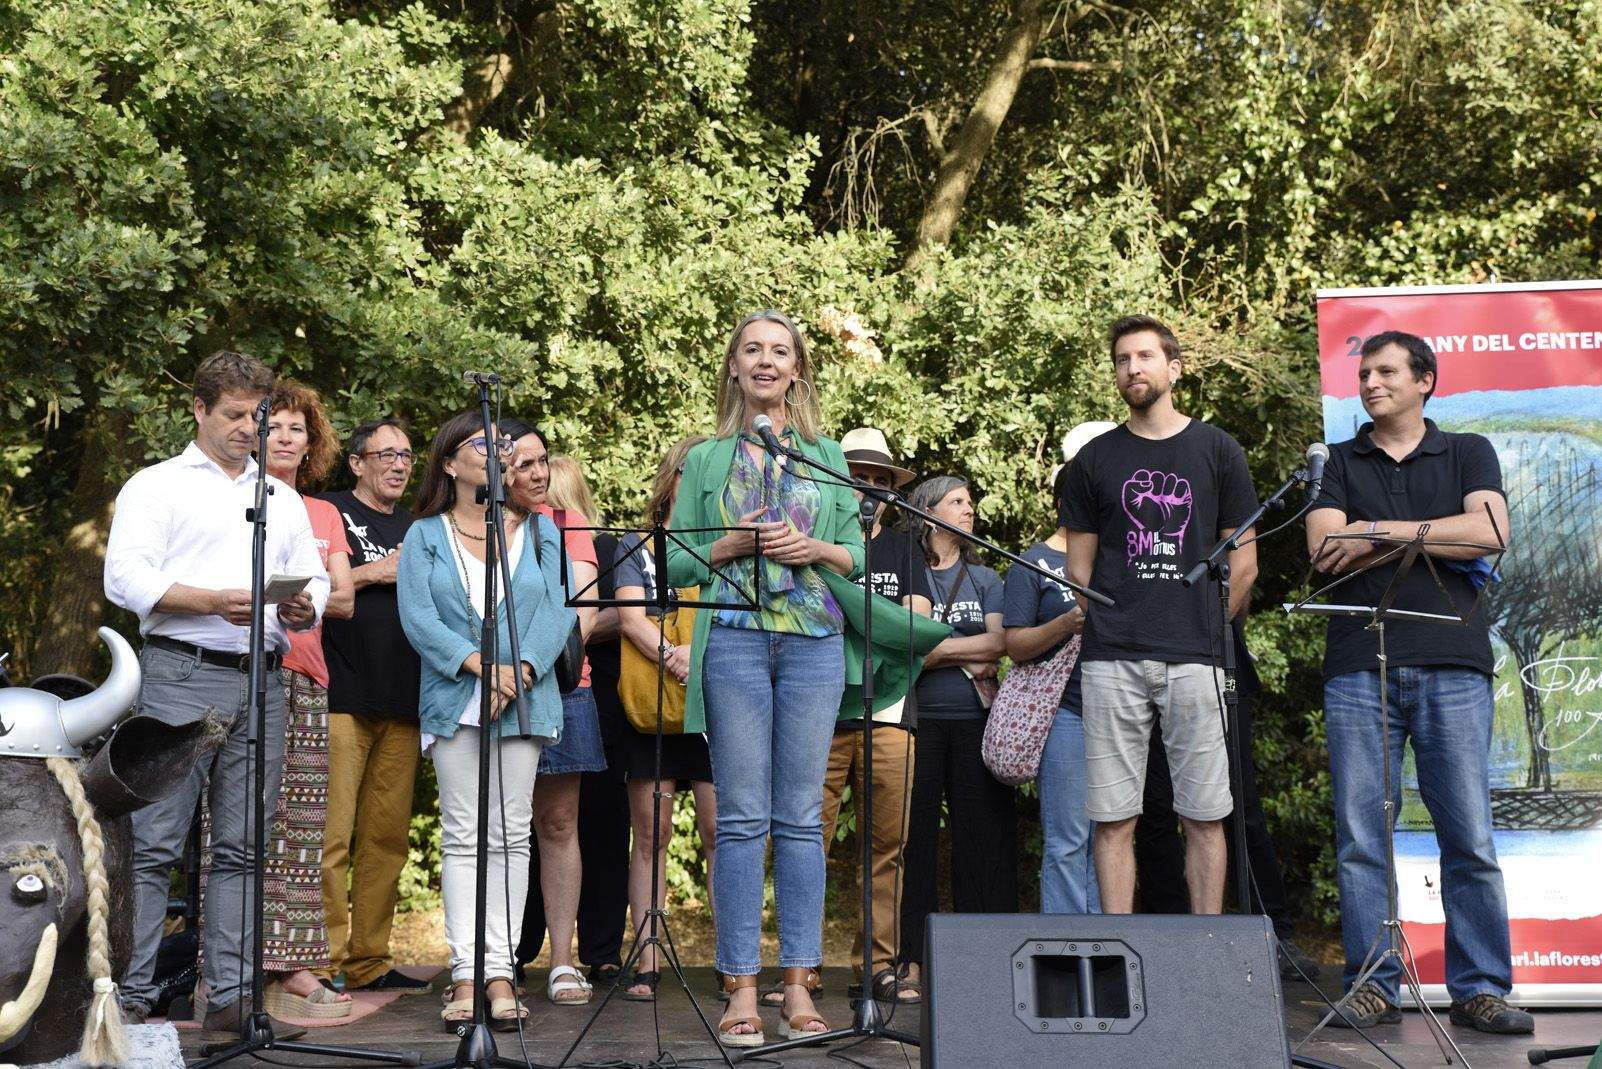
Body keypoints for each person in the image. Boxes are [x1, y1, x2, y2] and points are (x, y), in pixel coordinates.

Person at [1306, 330, 1530, 1034]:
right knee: (1361, 835)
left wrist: (1377, 528)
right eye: (1364, 372)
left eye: (1386, 371)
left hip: (1453, 660)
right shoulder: (1336, 459)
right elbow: (1322, 549)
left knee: (1468, 832)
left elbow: (1489, 531)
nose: (1369, 382)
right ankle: (1374, 984)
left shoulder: (1466, 450)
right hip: (1358, 665)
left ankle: (1481, 987)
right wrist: (1433, 531)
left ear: (1425, 380)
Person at [106, 351, 329, 1038]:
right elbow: (124, 579)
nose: (247, 428)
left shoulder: (281, 497)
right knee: (154, 841)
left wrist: (301, 610)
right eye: (234, 414)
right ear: (199, 409)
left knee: (242, 847)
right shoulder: (158, 485)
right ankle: (131, 996)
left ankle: (230, 995)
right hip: (181, 670)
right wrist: (211, 601)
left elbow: (312, 582)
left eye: (256, 416)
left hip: (262, 675)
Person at [666, 309, 864, 1047]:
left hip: (813, 643)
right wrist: (730, 542)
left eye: (780, 351)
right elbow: (676, 561)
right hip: (738, 642)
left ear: (798, 370)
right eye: (752, 348)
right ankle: (741, 986)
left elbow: (858, 557)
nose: (766, 360)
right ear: (733, 366)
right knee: (743, 818)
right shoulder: (707, 458)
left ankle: (798, 986)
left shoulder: (827, 454)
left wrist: (812, 545)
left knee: (803, 818)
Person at [1062, 314, 1258, 916]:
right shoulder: (1094, 460)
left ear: (1174, 368)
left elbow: (1244, 563)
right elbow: (1079, 572)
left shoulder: (1218, 449)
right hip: (1111, 660)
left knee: (1204, 814)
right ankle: (1120, 945)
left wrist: (1203, 628)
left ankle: (1206, 949)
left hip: (1197, 659)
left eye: (1145, 357)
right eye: (1122, 360)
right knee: (1112, 817)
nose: (1132, 369)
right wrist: (1120, 623)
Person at [396, 411, 575, 1032]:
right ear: (450, 462)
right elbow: (418, 617)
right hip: (455, 698)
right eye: (483, 444)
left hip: (524, 697)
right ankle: (467, 973)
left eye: (504, 445)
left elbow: (558, 613)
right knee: (462, 834)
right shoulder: (424, 534)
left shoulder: (543, 531)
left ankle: (500, 971)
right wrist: (478, 667)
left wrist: (519, 672)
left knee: (511, 833)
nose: (498, 453)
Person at [817, 427, 930, 1007]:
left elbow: (918, 622)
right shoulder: (815, 536)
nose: (867, 488)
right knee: (806, 839)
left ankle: (879, 965)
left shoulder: (904, 548)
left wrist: (863, 621)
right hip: (819, 711)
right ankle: (800, 966)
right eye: (856, 478)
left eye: (879, 481)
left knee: (887, 845)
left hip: (889, 714)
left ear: (891, 492)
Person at [318, 418, 431, 995]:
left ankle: (369, 960)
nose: (397, 464)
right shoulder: (328, 510)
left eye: (407, 455)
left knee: (387, 839)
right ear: (357, 463)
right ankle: (323, 963)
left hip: (407, 699)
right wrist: (372, 572)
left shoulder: (421, 525)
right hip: (342, 693)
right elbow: (307, 589)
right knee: (332, 837)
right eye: (384, 454)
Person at [500, 429, 611, 1006]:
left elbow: (585, 613)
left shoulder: (571, 525)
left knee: (559, 824)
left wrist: (531, 667)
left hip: (561, 687)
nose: (540, 472)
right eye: (526, 463)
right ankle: (493, 960)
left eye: (545, 461)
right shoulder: (474, 526)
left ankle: (563, 962)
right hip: (487, 688)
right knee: (496, 826)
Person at [258, 380, 356, 1017]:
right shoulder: (234, 500)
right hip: (247, 668)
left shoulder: (321, 513)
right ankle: (233, 966)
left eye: (299, 428)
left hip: (309, 671)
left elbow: (341, 597)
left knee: (301, 828)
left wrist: (303, 595)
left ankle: (293, 966)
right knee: (240, 824)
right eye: (276, 427)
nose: (288, 438)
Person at [612, 436, 718, 1002]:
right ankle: (647, 955)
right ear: (673, 478)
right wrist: (676, 655)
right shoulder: (637, 544)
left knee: (719, 834)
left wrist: (694, 659)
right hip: (651, 703)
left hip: (711, 708)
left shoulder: (724, 544)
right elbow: (630, 619)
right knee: (649, 836)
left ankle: (734, 960)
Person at [898, 475, 1009, 994]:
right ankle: (911, 960)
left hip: (974, 723)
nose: (970, 509)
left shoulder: (985, 578)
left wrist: (931, 651)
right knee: (914, 839)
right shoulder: (906, 571)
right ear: (927, 512)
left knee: (978, 837)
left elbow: (997, 646)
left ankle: (977, 955)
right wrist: (964, 646)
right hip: (915, 723)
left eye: (971, 501)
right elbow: (902, 647)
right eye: (958, 502)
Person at [1002, 423, 1115, 916]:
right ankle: (1069, 957)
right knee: (1069, 840)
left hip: (1121, 710)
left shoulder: (1116, 558)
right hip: (1066, 715)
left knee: (1110, 840)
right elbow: (1014, 644)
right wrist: (1067, 623)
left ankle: (1109, 952)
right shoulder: (1033, 562)